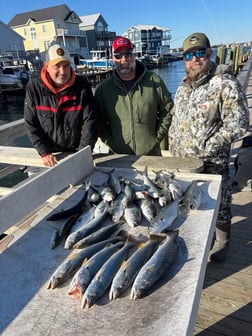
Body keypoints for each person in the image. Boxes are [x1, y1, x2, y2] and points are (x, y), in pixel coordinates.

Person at [168, 32, 249, 262]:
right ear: (184, 59)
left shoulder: (224, 82)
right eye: (189, 55)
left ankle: (223, 242)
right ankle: (202, 241)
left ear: (209, 53)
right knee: (191, 206)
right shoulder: (183, 87)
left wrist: (210, 146)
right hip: (185, 166)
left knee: (220, 206)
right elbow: (176, 121)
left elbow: (239, 123)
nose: (195, 59)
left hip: (213, 164)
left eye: (199, 53)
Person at [95, 36, 173, 156]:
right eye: (118, 56)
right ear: (112, 58)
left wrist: (156, 139)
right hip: (119, 157)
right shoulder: (103, 89)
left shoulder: (154, 81)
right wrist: (111, 142)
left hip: (151, 155)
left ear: (134, 55)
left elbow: (167, 111)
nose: (124, 59)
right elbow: (98, 120)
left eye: (128, 54)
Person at [24, 44, 100, 167]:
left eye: (66, 66)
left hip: (76, 150)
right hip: (50, 156)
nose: (63, 72)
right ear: (46, 66)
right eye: (57, 66)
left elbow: (90, 122)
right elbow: (31, 124)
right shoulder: (34, 88)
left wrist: (82, 154)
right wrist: (44, 152)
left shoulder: (82, 87)